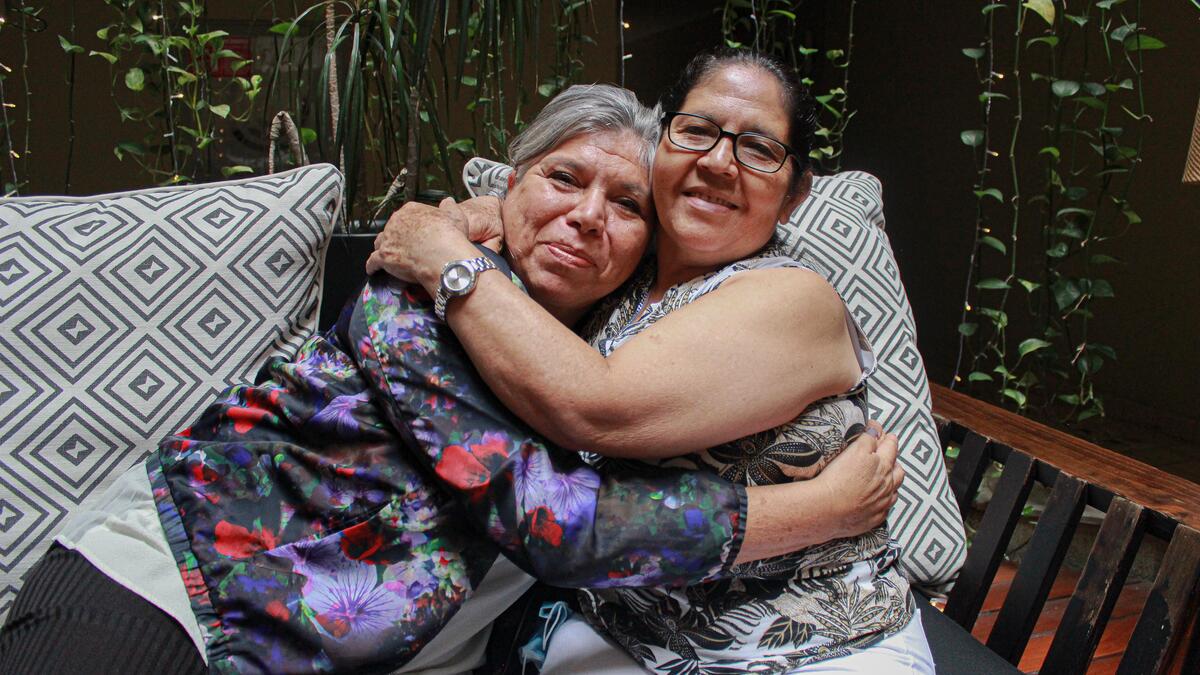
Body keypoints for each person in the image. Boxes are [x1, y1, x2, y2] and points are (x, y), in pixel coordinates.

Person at [0, 83, 902, 674]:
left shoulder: (623, 346)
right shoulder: (417, 298)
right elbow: (558, 521)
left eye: (627, 204)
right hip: (184, 595)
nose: (588, 216)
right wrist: (817, 511)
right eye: (562, 179)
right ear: (507, 191)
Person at [367, 50, 934, 673]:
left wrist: (444, 254)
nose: (719, 163)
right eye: (697, 131)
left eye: (759, 149)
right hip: (622, 635)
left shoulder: (795, 297)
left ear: (794, 195)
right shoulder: (619, 271)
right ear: (664, 147)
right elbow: (544, 221)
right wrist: (472, 217)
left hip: (813, 649)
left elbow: (596, 407)